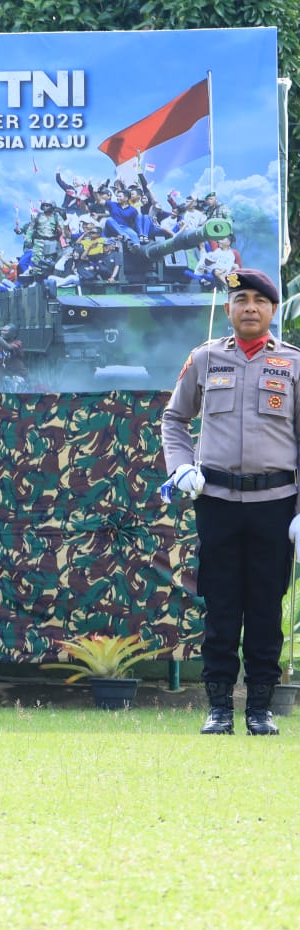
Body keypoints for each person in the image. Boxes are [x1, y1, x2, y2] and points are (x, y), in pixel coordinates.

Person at [162, 268, 297, 736]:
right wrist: (180, 467)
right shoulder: (205, 358)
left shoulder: (293, 364)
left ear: (273, 309)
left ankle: (260, 709)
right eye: (241, 300)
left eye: (259, 300)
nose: (250, 308)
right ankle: (219, 707)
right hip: (216, 501)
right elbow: (174, 419)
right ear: (228, 309)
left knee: (265, 608)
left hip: (276, 505)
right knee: (220, 606)